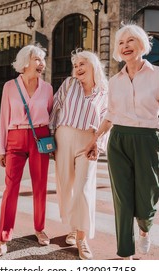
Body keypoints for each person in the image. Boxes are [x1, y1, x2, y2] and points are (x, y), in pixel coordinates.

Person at [85, 24, 159, 259]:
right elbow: (110, 115)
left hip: (148, 141)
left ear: (141, 44)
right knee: (122, 200)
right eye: (121, 43)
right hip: (119, 141)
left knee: (147, 197)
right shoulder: (114, 81)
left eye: (131, 41)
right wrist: (95, 139)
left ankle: (144, 229)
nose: (125, 47)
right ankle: (125, 254)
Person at [0, 44, 53, 260]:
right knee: (10, 188)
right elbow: (4, 117)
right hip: (15, 137)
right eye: (37, 59)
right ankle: (3, 239)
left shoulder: (48, 88)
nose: (41, 64)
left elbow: (51, 116)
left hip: (40, 137)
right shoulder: (10, 87)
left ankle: (39, 228)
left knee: (40, 186)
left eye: (43, 60)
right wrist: (2, 149)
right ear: (25, 62)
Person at [49, 49, 108, 260]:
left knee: (83, 189)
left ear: (94, 67)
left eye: (83, 64)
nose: (78, 68)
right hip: (63, 139)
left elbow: (106, 122)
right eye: (76, 65)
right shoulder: (69, 84)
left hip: (88, 142)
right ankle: (73, 226)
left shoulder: (103, 92)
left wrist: (98, 144)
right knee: (66, 186)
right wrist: (50, 138)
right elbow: (55, 108)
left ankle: (82, 237)